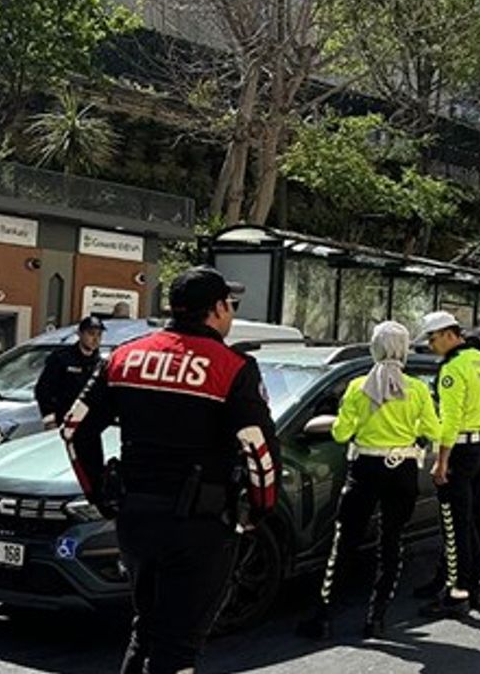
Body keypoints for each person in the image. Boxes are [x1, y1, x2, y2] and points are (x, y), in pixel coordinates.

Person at [60, 267, 279, 674]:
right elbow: (258, 445)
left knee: (146, 629)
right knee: (179, 646)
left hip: (136, 518)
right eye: (230, 305)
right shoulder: (231, 366)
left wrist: (99, 493)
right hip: (200, 524)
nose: (230, 313)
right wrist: (262, 506)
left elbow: (73, 428)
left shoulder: (124, 355)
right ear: (216, 309)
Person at [297, 322, 438, 639]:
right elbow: (434, 431)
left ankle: (323, 617)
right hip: (402, 471)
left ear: (374, 349)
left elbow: (341, 432)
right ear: (404, 350)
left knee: (343, 543)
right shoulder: (416, 389)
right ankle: (376, 618)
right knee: (391, 543)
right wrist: (411, 437)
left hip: (364, 469)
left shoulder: (358, 387)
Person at [414, 311, 480, 618]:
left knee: (454, 525)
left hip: (459, 451)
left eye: (432, 338)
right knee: (474, 517)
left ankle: (456, 594)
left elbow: (449, 420)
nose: (430, 344)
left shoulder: (451, 369)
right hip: (479, 447)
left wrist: (441, 462)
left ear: (449, 334)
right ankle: (476, 583)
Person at [34, 316, 105, 429]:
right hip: (62, 419)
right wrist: (49, 418)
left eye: (99, 335)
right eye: (91, 334)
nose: (95, 339)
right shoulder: (62, 358)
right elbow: (43, 389)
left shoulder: (100, 362)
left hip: (88, 422)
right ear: (80, 334)